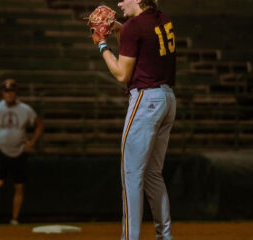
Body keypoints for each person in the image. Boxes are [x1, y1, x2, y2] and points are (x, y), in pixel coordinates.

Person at [91, 0, 176, 239]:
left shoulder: (134, 27)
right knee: (152, 174)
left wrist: (102, 45)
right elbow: (141, 43)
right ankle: (165, 236)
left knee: (131, 175)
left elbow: (121, 73)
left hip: (146, 101)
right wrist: (117, 27)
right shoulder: (163, 18)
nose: (119, 2)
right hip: (167, 99)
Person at [0, 78, 44, 225]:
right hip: (0, 152)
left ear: (16, 93)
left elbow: (39, 125)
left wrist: (31, 142)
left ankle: (15, 218)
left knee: (19, 186)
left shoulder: (25, 109)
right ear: (2, 93)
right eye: (7, 92)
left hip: (19, 151)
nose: (10, 95)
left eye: (12, 91)